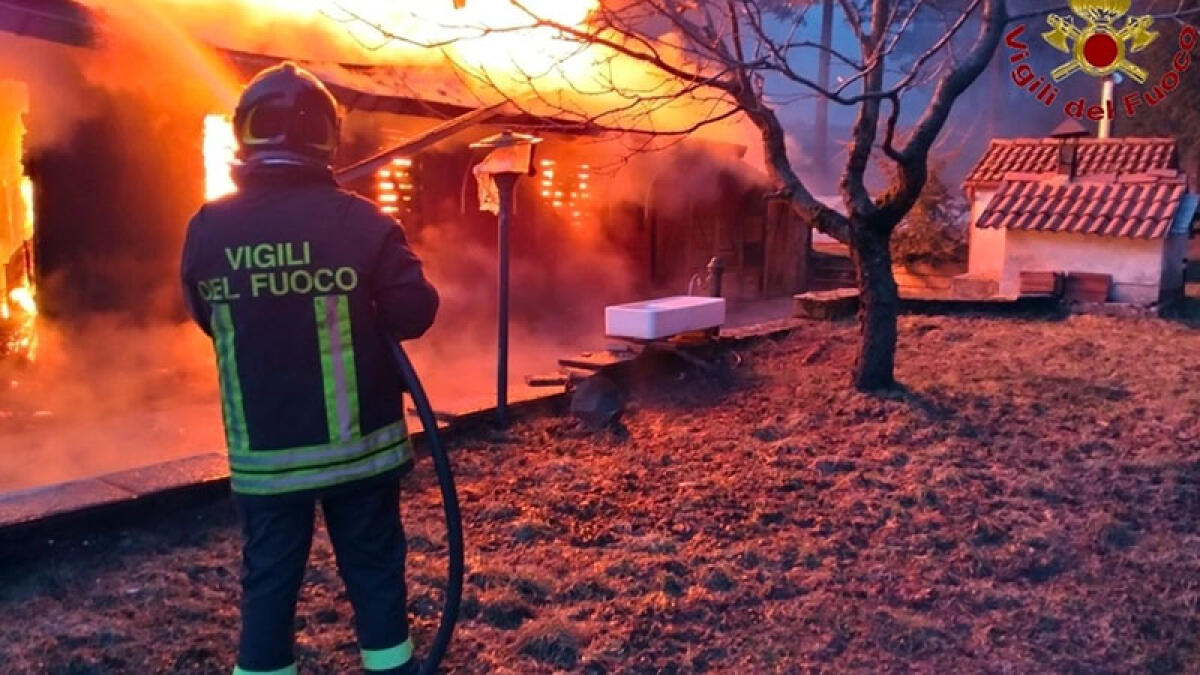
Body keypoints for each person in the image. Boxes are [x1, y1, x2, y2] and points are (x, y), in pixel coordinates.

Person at [180, 62, 439, 675]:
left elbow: (203, 314)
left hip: (265, 458)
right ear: (326, 138)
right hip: (359, 456)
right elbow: (416, 311)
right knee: (374, 574)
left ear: (246, 133)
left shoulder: (210, 228)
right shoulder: (363, 222)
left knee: (268, 581)